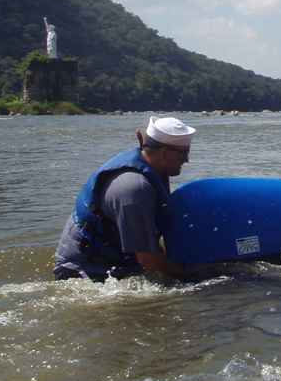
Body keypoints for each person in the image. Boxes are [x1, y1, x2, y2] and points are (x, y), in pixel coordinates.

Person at [53, 115, 195, 281]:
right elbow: (148, 261)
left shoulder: (153, 166)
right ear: (164, 154)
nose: (186, 160)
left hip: (112, 254)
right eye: (183, 154)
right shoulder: (134, 189)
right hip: (84, 270)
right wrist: (192, 274)